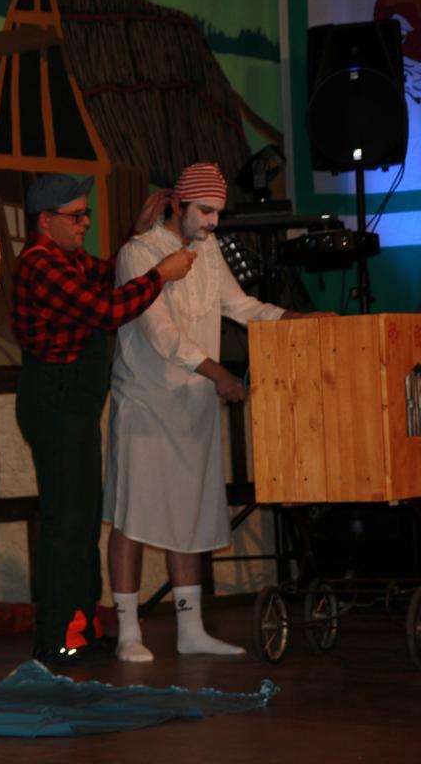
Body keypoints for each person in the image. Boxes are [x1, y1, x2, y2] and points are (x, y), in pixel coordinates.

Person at [103, 162, 323, 662]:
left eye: (217, 212)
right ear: (176, 204)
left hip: (194, 405)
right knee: (133, 516)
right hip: (145, 403)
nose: (212, 221)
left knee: (191, 511)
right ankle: (128, 633)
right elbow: (162, 335)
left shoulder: (209, 249)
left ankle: (191, 630)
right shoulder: (138, 252)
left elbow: (239, 306)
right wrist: (220, 373)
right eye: (204, 210)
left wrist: (294, 319)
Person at [12, 174, 196, 665]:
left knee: (83, 517)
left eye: (86, 213)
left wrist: (135, 236)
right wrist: (161, 274)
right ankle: (60, 635)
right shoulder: (40, 264)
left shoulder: (67, 258)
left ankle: (82, 626)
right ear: (45, 221)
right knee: (68, 522)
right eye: (76, 216)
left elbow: (109, 272)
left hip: (70, 403)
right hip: (56, 402)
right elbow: (108, 309)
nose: (86, 223)